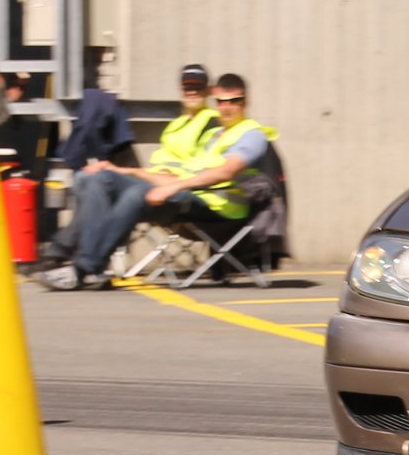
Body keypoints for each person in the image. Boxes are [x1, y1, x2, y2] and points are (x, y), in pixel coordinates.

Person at [36, 73, 275, 290]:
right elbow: (180, 175)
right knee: (97, 178)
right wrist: (120, 170)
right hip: (189, 194)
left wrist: (173, 187)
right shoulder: (212, 136)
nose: (227, 107)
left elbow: (225, 172)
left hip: (219, 208)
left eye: (234, 101)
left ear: (246, 102)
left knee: (135, 195)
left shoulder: (251, 134)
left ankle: (84, 268)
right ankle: (81, 263)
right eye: (221, 101)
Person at [37, 64, 216, 266]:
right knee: (85, 178)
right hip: (156, 184)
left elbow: (189, 178)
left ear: (209, 90)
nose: (192, 92)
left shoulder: (212, 124)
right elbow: (158, 170)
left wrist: (125, 171)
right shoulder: (177, 125)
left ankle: (76, 257)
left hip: (180, 193)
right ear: (180, 89)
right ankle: (72, 254)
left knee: (104, 182)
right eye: (187, 87)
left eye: (198, 87)